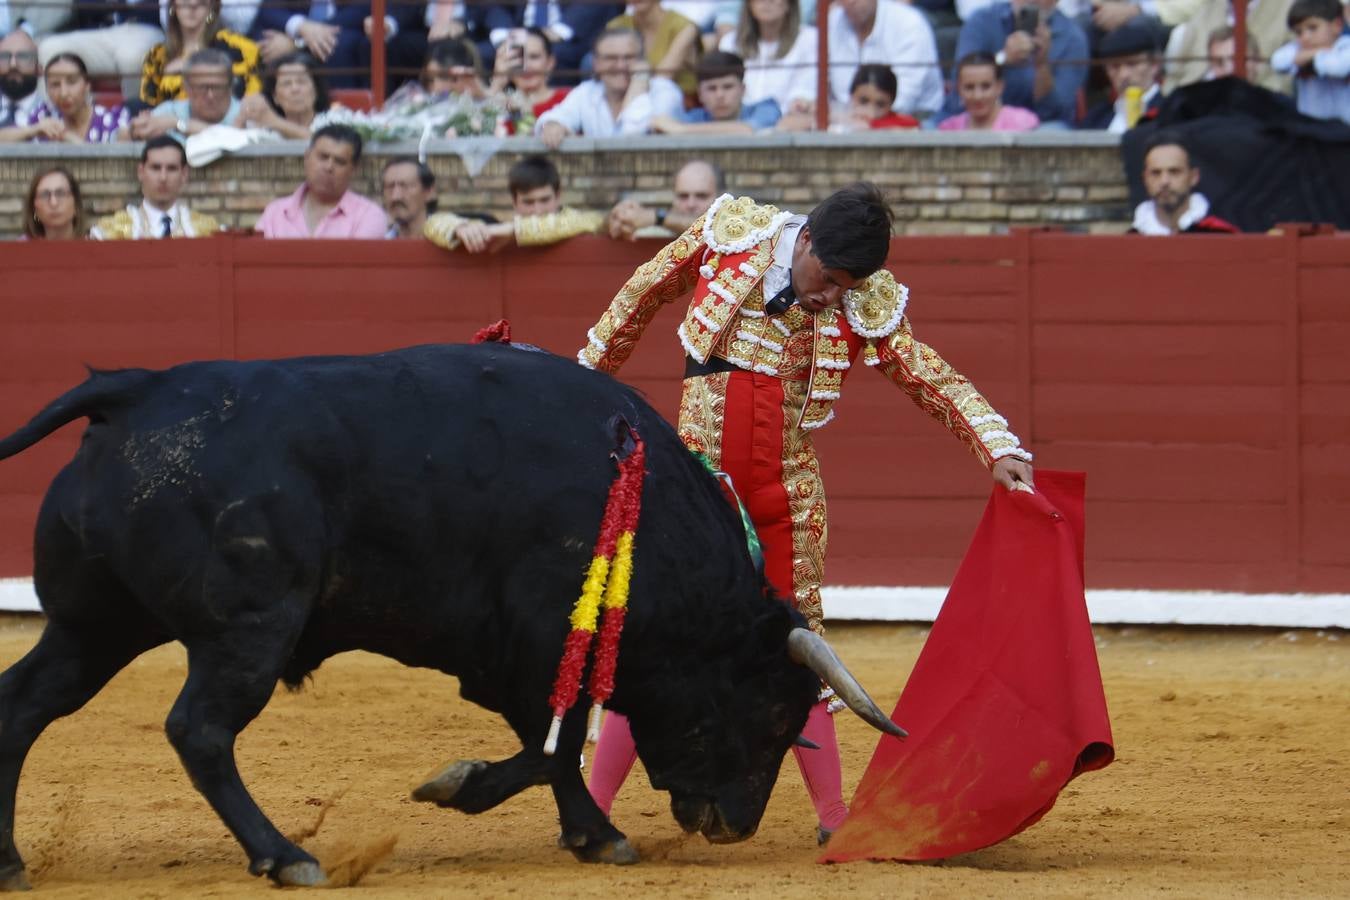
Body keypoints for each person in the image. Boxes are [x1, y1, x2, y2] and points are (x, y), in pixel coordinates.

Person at [577, 182, 1034, 845]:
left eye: (850, 286)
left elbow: (926, 374)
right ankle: (591, 809)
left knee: (801, 647)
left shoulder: (861, 299)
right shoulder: (731, 235)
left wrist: (996, 445)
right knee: (658, 641)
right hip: (696, 488)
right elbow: (639, 296)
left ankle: (834, 821)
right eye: (830, 278)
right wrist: (585, 381)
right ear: (808, 241)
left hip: (785, 494)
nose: (833, 296)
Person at [536, 28, 685, 148]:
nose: (621, 66)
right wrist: (554, 125)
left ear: (642, 61)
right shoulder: (587, 91)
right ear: (596, 63)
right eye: (611, 58)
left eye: (629, 57)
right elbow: (557, 116)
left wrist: (639, 85)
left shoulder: (665, 91)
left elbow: (632, 137)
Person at [425, 154, 605, 252]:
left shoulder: (579, 222)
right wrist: (459, 228)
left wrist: (512, 230)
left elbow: (595, 220)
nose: (538, 210)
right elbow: (432, 223)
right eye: (528, 202)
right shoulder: (495, 228)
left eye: (544, 200)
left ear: (558, 195)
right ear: (514, 202)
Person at [951, 0, 1087, 127]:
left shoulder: (1072, 39)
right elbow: (959, 83)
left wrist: (1042, 65)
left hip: (1039, 127)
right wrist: (1003, 58)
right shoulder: (982, 20)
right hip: (974, 119)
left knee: (1052, 132)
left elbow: (1054, 112)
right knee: (934, 129)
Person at [255, 124, 388, 238]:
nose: (329, 167)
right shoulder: (275, 212)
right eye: (323, 157)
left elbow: (355, 266)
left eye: (339, 161)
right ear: (307, 157)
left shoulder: (368, 216)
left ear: (354, 169)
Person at [827, 0, 944, 119]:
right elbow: (813, 89)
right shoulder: (832, 22)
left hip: (917, 118)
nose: (851, 2)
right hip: (845, 120)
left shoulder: (909, 23)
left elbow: (903, 101)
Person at [89, 135, 221, 239]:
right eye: (155, 168)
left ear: (184, 174)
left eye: (172, 168)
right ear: (141, 172)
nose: (163, 177)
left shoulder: (207, 231)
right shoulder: (110, 232)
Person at [467, 0, 621, 85]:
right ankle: (482, 118)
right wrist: (505, 35)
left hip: (568, 37)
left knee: (556, 55)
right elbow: (492, 6)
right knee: (479, 54)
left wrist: (560, 30)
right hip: (514, 32)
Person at [139, 0, 261, 106]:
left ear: (212, 5)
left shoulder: (240, 49)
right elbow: (147, 110)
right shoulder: (157, 56)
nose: (193, 4)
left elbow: (247, 104)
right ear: (173, 5)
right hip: (168, 130)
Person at [36, 0, 161, 97]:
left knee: (130, 57)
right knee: (49, 47)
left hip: (145, 27)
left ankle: (135, 119)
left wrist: (120, 5)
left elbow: (159, 7)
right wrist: (117, 4)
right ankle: (51, 123)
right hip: (100, 30)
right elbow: (83, 4)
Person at [2, 52, 128, 143]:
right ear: (46, 90)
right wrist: (33, 130)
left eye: (72, 82)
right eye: (55, 85)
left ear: (87, 85)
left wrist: (66, 136)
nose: (64, 93)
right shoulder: (44, 115)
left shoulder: (111, 119)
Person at [719, 0, 817, 116]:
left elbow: (805, 90)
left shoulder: (810, 38)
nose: (767, 2)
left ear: (790, 4)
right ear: (749, 4)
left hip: (788, 121)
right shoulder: (730, 42)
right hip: (741, 121)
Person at [650, 50, 780, 134]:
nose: (720, 95)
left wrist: (681, 130)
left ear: (743, 90)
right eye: (712, 88)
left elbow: (746, 130)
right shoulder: (694, 117)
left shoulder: (766, 108)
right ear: (700, 94)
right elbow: (659, 124)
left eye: (728, 87)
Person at [1130, 134, 1238, 234]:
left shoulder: (1220, 235)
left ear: (1193, 177)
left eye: (1174, 172)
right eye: (1156, 173)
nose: (1164, 181)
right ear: (1145, 179)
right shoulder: (1131, 242)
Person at [128, 47, 243, 141]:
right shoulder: (170, 110)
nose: (210, 95)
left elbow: (230, 141)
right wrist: (137, 131)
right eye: (202, 88)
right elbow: (120, 137)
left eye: (217, 87)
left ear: (230, 87)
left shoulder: (245, 112)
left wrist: (178, 124)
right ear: (187, 87)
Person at [1270, 0, 1350, 124]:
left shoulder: (1345, 46)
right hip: (1310, 126)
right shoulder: (1298, 48)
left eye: (1313, 28)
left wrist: (1308, 58)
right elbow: (1277, 61)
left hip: (1344, 128)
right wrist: (1313, 53)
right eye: (1298, 32)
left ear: (1337, 25)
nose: (1305, 37)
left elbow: (1338, 68)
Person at [606, 157, 725, 240]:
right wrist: (621, 217)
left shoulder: (734, 228)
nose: (691, 204)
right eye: (683, 196)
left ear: (721, 198)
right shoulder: (657, 229)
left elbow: (713, 228)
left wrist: (658, 217)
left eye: (701, 196)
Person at [1080, 18, 1162, 131]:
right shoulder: (1096, 118)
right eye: (1115, 67)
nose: (1124, 75)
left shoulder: (1173, 112)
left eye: (1132, 64)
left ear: (1154, 65)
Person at [607, 0, 702, 97]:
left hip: (680, 103)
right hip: (626, 100)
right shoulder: (616, 26)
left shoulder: (684, 28)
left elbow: (661, 81)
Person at [488, 26, 569, 134]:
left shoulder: (569, 100)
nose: (526, 66)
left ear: (550, 62)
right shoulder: (497, 103)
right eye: (517, 58)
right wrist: (497, 84)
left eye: (534, 57)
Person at [237, 51, 331, 139]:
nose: (295, 89)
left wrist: (275, 122)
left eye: (301, 82)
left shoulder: (335, 118)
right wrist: (243, 116)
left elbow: (325, 143)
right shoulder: (264, 129)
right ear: (275, 97)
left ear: (316, 90)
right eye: (286, 83)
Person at [939, 51, 1040, 130]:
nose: (977, 96)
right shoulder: (950, 129)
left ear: (999, 87)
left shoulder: (1023, 123)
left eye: (986, 86)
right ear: (959, 89)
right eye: (969, 87)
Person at [21, 166, 84, 239]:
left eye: (61, 193)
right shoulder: (18, 248)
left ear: (76, 203)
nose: (53, 203)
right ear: (33, 207)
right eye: (45, 195)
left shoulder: (93, 246)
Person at [382, 155, 437, 239]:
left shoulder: (452, 240)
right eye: (390, 187)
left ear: (429, 192)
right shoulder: (379, 244)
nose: (396, 196)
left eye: (405, 186)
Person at [0, 28, 41, 128]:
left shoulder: (55, 112)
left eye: (23, 56)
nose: (13, 64)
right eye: (5, 56)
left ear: (39, 67)